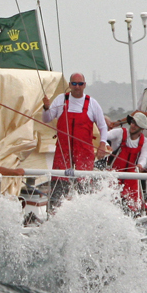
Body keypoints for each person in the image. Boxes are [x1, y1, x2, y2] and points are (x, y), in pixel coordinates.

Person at [42, 73, 109, 210]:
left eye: (80, 84)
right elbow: (46, 119)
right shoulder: (61, 99)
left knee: (83, 184)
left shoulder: (92, 103)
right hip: (63, 148)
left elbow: (103, 126)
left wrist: (103, 144)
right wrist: (46, 108)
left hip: (83, 150)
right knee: (59, 182)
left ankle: (84, 210)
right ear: (69, 85)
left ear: (84, 85)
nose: (77, 87)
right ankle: (54, 211)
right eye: (74, 83)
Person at [104, 111, 147, 213]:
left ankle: (135, 212)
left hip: (131, 175)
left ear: (142, 128)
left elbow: (143, 158)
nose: (133, 126)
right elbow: (104, 136)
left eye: (137, 124)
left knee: (134, 205)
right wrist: (103, 144)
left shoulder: (146, 143)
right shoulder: (120, 133)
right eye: (133, 122)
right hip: (113, 173)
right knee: (108, 200)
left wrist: (140, 165)